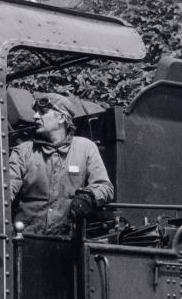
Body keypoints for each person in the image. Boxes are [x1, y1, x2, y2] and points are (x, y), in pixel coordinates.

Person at [9, 93, 113, 235]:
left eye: (43, 112)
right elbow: (8, 187)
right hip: (26, 240)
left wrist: (89, 196)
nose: (35, 117)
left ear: (61, 117)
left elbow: (105, 187)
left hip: (68, 242)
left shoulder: (85, 148)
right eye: (36, 112)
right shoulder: (24, 151)